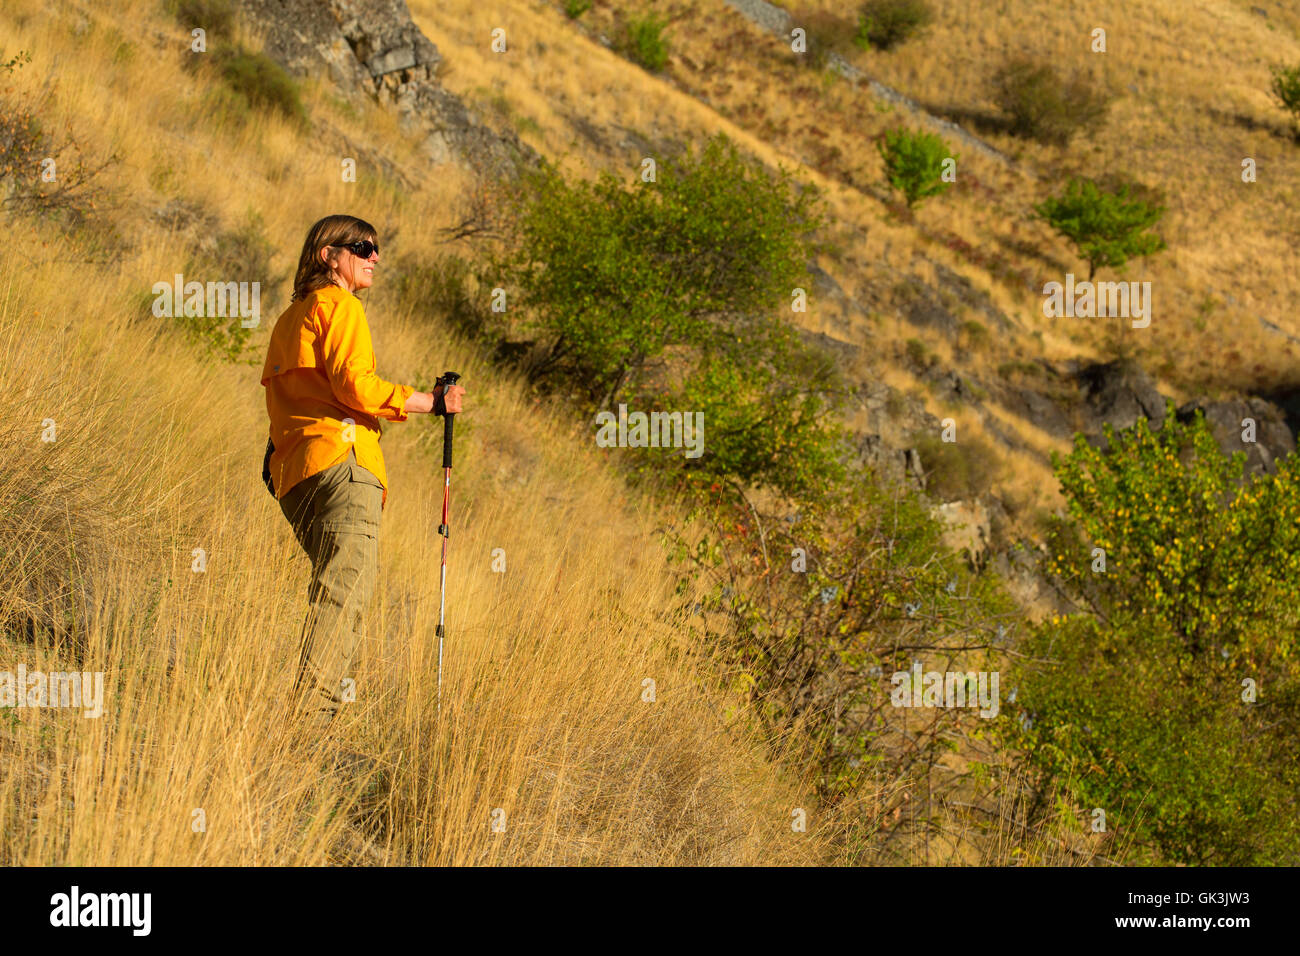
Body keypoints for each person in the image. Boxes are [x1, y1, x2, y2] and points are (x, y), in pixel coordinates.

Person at [260, 214, 465, 726]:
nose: (375, 256)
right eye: (362, 246)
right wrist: (431, 402)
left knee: (335, 582)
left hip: (296, 474)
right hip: (343, 464)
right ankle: (312, 719)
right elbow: (357, 387)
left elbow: (287, 398)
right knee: (347, 585)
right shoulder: (342, 305)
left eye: (376, 248)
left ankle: (312, 710)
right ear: (329, 256)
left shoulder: (291, 319)